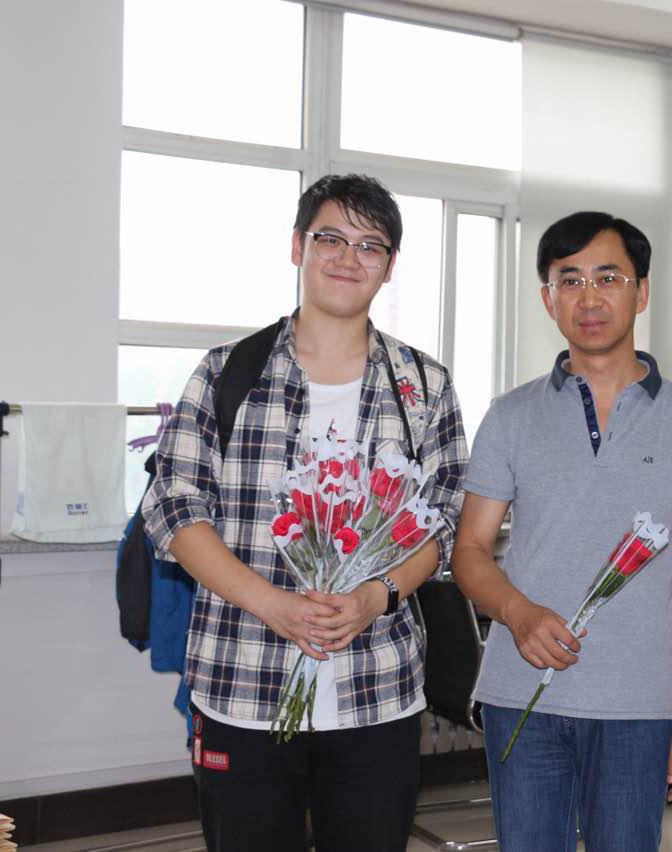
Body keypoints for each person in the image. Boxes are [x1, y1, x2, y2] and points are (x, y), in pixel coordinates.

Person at [142, 174, 467, 852]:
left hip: (377, 688)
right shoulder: (227, 371)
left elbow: (442, 522)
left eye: (370, 245)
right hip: (243, 679)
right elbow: (173, 510)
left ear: (389, 266)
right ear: (298, 247)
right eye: (330, 239)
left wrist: (377, 596)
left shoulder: (423, 385)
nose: (348, 258)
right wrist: (274, 605)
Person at [451, 211, 672, 851]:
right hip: (522, 696)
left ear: (642, 291)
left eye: (608, 278)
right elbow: (469, 551)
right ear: (548, 299)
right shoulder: (510, 415)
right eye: (569, 281)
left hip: (638, 706)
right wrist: (518, 613)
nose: (590, 297)